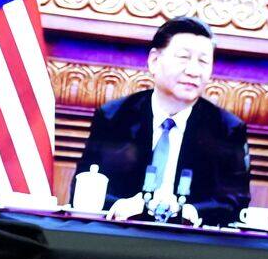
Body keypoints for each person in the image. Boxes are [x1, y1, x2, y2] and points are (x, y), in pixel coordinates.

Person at [74, 17, 250, 226]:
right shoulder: (115, 117)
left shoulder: (226, 129)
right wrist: (121, 205)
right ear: (154, 61)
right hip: (121, 236)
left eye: (203, 61)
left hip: (190, 244)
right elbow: (83, 190)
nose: (193, 71)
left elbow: (236, 202)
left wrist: (191, 211)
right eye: (183, 58)